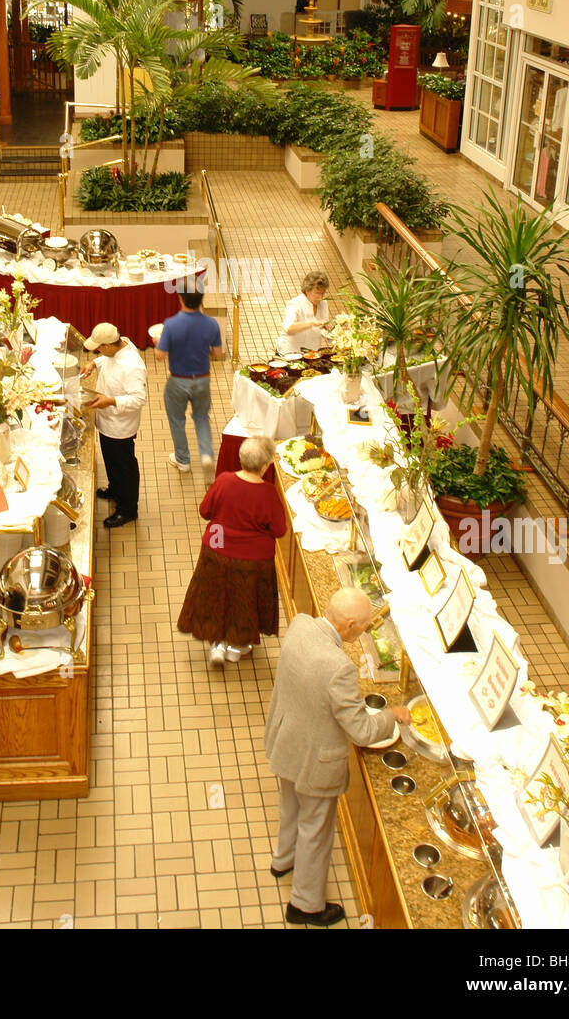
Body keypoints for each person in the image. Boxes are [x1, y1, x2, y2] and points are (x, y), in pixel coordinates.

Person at [264, 588, 411, 927]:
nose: (362, 634)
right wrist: (394, 715)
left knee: (289, 806)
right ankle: (305, 905)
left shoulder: (300, 624)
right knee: (316, 829)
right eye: (361, 628)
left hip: (286, 740)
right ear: (348, 624)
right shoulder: (338, 667)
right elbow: (360, 730)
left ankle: (283, 859)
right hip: (315, 759)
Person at [177, 435, 287, 667]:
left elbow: (205, 511)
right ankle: (237, 647)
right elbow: (279, 530)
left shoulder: (224, 481)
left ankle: (216, 643)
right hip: (253, 559)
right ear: (265, 465)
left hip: (216, 550)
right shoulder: (268, 493)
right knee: (244, 599)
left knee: (217, 594)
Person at [80, 322, 148, 529]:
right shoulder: (121, 344)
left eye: (100, 348)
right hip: (107, 420)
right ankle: (115, 489)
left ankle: (128, 509)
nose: (99, 351)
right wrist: (94, 363)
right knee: (110, 459)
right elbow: (108, 360)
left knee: (123, 466)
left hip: (120, 426)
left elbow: (139, 399)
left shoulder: (132, 366)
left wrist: (110, 401)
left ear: (109, 345)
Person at [155, 285, 223, 475]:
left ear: (181, 299)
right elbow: (217, 353)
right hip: (202, 379)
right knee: (201, 417)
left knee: (177, 420)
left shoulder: (171, 324)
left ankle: (183, 460)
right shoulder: (211, 324)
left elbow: (160, 355)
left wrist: (157, 343)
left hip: (178, 381)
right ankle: (206, 454)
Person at [274, 270, 330, 356]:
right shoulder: (295, 303)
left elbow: (324, 329)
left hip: (312, 354)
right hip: (289, 353)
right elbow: (289, 328)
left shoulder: (324, 303)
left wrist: (336, 332)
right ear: (307, 290)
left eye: (323, 293)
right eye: (317, 293)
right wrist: (312, 323)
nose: (320, 297)